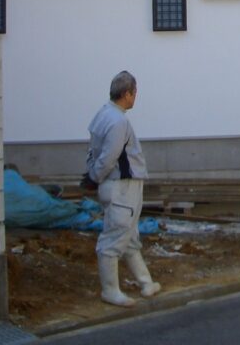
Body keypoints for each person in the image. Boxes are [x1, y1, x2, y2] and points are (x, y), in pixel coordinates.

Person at [86, 71, 161, 307]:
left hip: (117, 187)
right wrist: (94, 176)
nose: (135, 97)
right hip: (122, 187)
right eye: (135, 93)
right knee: (115, 237)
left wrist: (92, 175)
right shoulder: (118, 121)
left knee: (128, 236)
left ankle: (146, 282)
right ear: (127, 93)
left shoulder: (103, 114)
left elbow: (94, 150)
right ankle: (110, 290)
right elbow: (110, 156)